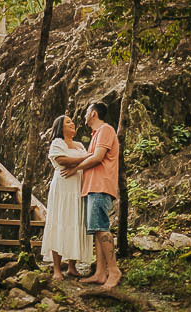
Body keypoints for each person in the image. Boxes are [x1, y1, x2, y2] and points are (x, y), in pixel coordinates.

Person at [62, 101, 122, 288]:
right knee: (97, 229)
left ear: (93, 113)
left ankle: (114, 271)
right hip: (93, 187)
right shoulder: (97, 134)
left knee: (101, 228)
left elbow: (97, 158)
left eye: (87, 112)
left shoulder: (105, 130)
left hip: (100, 186)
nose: (84, 115)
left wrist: (75, 169)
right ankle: (100, 273)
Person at [40, 115, 94, 280]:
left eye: (72, 121)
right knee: (60, 221)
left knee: (75, 221)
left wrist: (84, 159)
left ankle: (72, 266)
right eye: (68, 122)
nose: (72, 123)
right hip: (63, 187)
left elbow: (90, 161)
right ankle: (57, 268)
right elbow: (63, 160)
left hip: (79, 186)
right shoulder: (57, 143)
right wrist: (85, 158)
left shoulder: (79, 145)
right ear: (60, 127)